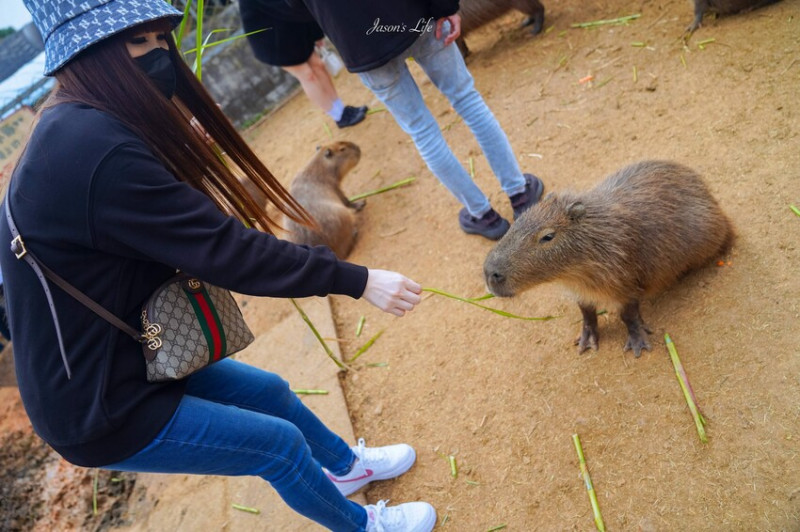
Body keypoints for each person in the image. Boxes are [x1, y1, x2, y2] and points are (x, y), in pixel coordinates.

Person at [0, 1, 435, 531]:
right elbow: (227, 251)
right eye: (141, 43)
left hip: (136, 354)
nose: (160, 54)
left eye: (162, 40)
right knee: (276, 447)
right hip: (100, 406)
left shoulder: (79, 121)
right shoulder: (89, 147)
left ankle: (346, 466)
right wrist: (356, 279)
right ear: (94, 53)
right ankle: (362, 525)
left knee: (271, 393)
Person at [292, 0, 546, 240]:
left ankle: (484, 216)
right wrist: (445, 6)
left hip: (360, 44)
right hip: (413, 14)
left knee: (422, 131)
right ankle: (520, 193)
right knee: (467, 101)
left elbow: (297, 9)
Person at [238, 0, 368, 128]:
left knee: (318, 65)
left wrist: (317, 33)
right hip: (272, 41)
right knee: (307, 75)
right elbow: (291, 8)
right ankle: (338, 116)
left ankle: (341, 108)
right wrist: (319, 19)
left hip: (292, 31)